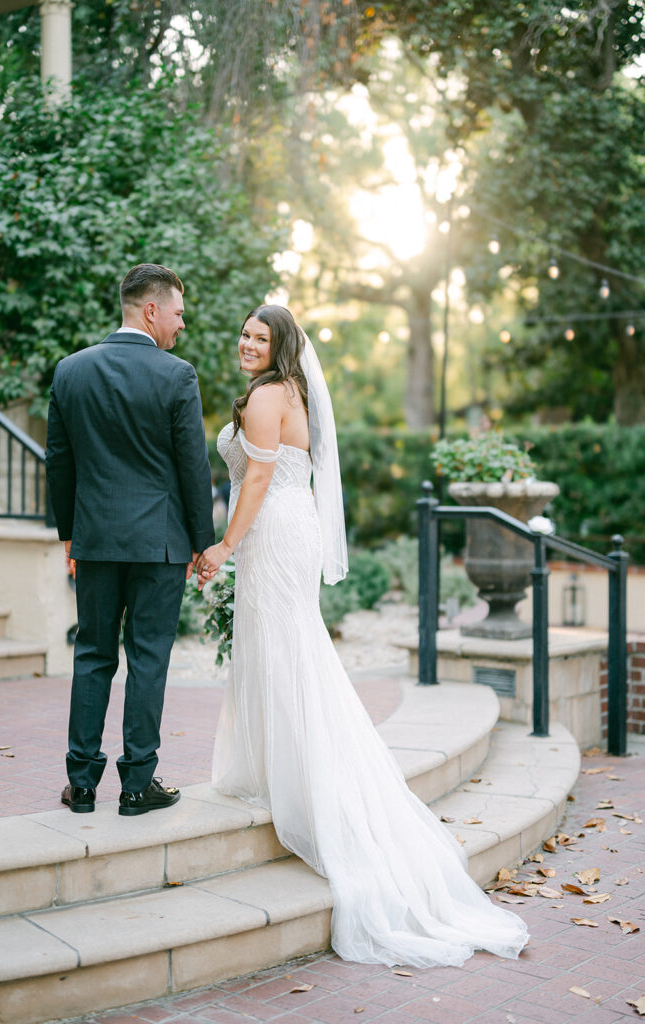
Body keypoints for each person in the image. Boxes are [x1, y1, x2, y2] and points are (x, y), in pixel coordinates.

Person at [196, 304, 529, 968]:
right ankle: (275, 768)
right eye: (243, 334)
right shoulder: (291, 392)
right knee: (285, 652)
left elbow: (256, 476)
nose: (246, 344)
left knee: (286, 654)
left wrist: (224, 546)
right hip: (286, 528)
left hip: (270, 530)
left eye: (260, 338)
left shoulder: (267, 395)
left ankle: (304, 785)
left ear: (281, 345)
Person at [46, 263, 215, 817]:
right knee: (148, 660)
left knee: (92, 655)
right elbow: (194, 467)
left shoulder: (70, 372)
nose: (181, 325)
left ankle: (83, 784)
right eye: (178, 313)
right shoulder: (177, 376)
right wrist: (200, 541)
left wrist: (69, 535)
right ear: (151, 310)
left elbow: (60, 463)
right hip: (160, 545)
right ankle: (139, 786)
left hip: (94, 541)